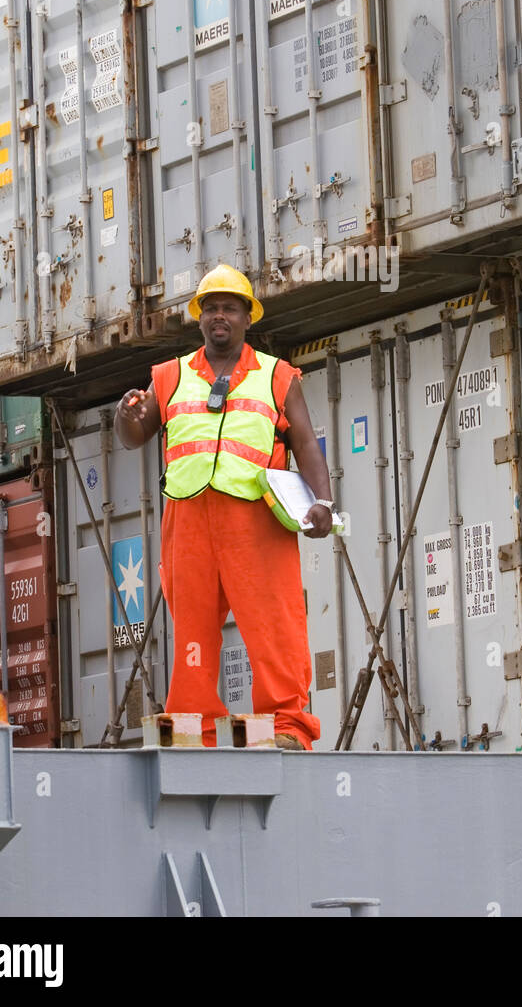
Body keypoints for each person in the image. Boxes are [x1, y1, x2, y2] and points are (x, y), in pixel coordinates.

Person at [114, 265, 333, 750]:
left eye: (229, 308)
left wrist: (323, 503)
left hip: (256, 521)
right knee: (192, 627)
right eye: (210, 308)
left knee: (274, 623)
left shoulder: (278, 376)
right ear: (199, 319)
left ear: (246, 317)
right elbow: (135, 436)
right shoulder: (169, 377)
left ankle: (286, 726)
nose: (219, 316)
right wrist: (123, 417)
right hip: (188, 522)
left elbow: (306, 444)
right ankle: (194, 724)